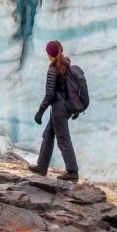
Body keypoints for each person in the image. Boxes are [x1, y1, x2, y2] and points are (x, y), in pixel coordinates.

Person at [30, 40, 79, 181]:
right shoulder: (67, 65)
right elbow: (73, 89)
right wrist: (75, 109)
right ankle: (42, 166)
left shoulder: (53, 69)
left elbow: (50, 94)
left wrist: (41, 111)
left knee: (63, 139)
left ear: (49, 53)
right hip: (67, 106)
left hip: (59, 108)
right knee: (49, 134)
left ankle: (72, 171)